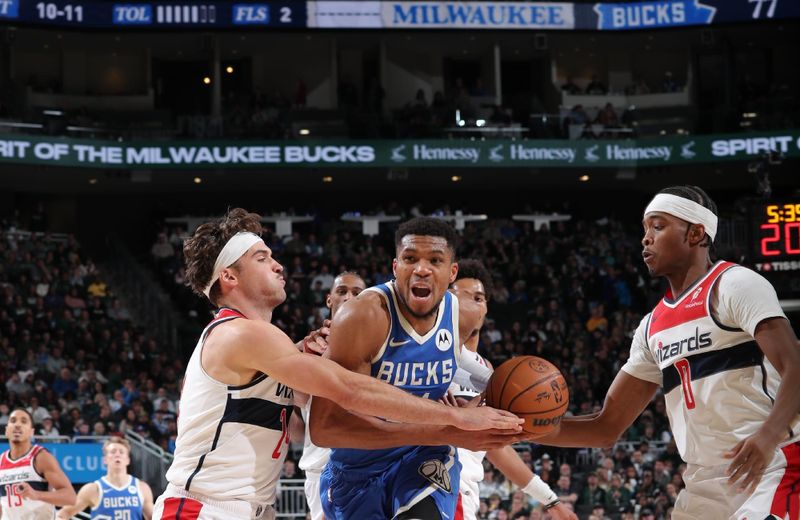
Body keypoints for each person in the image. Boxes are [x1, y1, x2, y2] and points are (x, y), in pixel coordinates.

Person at [152, 209, 520, 520]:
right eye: (261, 258)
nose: (278, 265)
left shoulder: (258, 344)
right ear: (229, 277)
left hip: (246, 507)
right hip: (204, 508)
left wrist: (302, 359)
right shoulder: (242, 334)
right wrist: (454, 419)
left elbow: (293, 432)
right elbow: (349, 388)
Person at [539, 185, 800, 519]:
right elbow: (606, 427)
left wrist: (767, 437)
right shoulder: (651, 326)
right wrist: (531, 429)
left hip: (769, 467)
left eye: (658, 226)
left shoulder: (734, 284)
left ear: (696, 233)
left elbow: (795, 366)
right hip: (704, 486)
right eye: (645, 229)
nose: (646, 238)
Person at [312, 218, 524, 520]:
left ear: (452, 273)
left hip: (425, 457)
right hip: (357, 471)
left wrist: (488, 404)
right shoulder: (363, 316)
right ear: (396, 266)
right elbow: (324, 429)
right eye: (411, 259)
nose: (422, 269)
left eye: (435, 260)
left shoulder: (462, 316)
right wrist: (450, 427)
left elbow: (476, 375)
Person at [448, 259, 576, 520]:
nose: (475, 303)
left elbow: (495, 446)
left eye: (480, 297)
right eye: (463, 295)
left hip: (466, 494)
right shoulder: (426, 354)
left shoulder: (490, 373)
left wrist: (550, 500)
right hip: (437, 482)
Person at [290, 271, 368, 520]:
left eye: (357, 293)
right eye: (342, 291)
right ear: (329, 299)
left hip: (369, 462)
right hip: (323, 463)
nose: (349, 296)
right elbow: (299, 400)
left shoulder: (378, 347)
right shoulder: (311, 346)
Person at [0, 408, 76, 519]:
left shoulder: (41, 458)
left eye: (24, 421)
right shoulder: (1, 461)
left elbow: (70, 497)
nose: (17, 425)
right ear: (7, 430)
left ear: (32, 432)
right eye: (13, 420)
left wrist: (36, 494)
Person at [57, 436, 154, 520]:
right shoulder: (93, 489)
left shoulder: (142, 488)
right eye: (113, 452)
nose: (117, 454)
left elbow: (153, 517)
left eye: (121, 452)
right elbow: (63, 514)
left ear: (128, 460)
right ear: (105, 459)